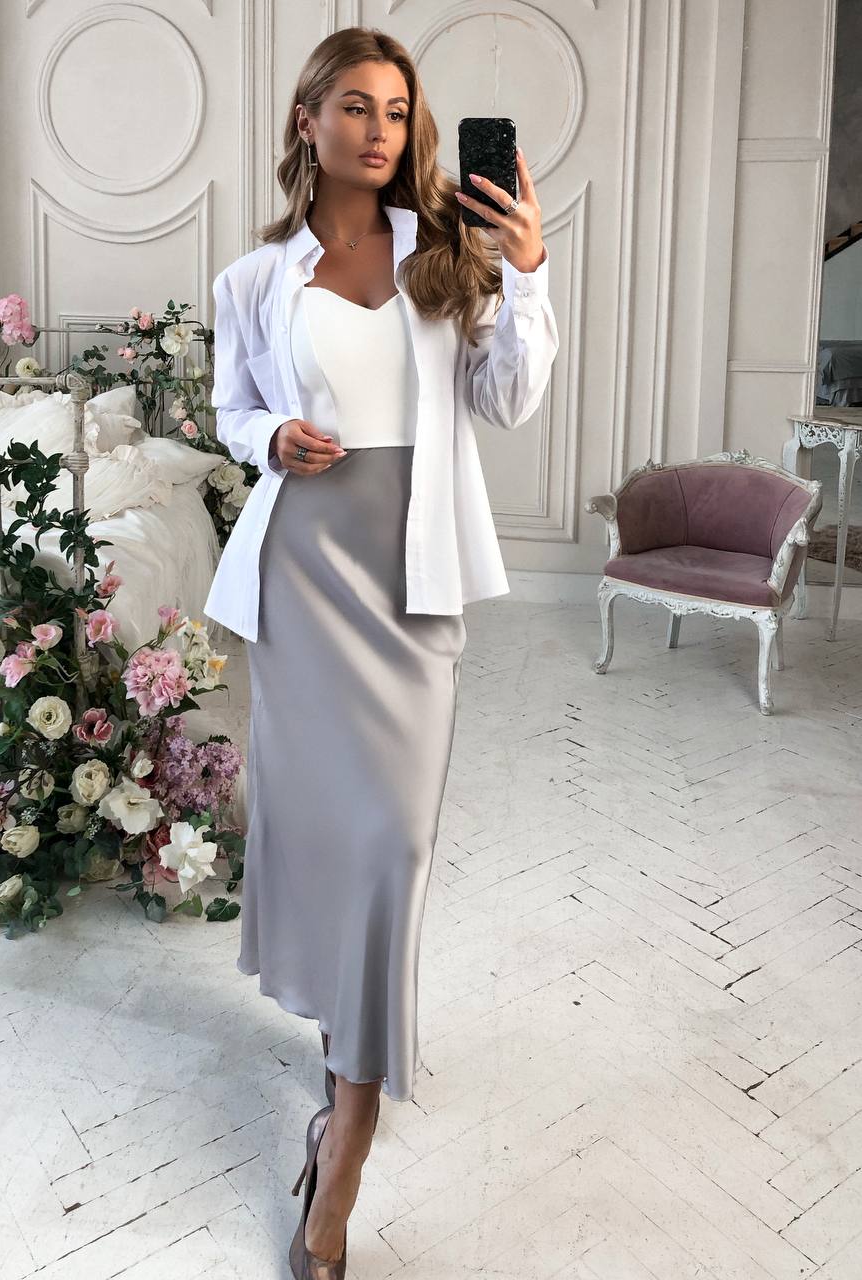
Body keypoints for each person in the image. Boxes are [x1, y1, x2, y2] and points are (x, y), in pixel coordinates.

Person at [202, 25, 559, 1278]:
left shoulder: (446, 253)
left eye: (397, 110)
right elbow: (230, 407)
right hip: (303, 575)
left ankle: (342, 1136)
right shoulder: (254, 277)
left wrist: (526, 274)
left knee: (394, 841)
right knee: (320, 832)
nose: (377, 129)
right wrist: (269, 438)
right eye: (353, 105)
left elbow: (505, 399)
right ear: (307, 120)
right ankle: (346, 1088)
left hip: (412, 584)